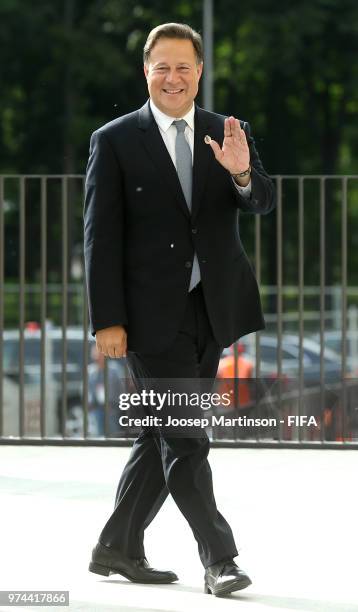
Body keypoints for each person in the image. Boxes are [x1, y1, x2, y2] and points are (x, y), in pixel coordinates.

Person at [83, 22, 275, 597]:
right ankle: (220, 559)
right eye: (161, 66)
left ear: (199, 71)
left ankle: (116, 547)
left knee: (162, 433)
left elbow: (261, 199)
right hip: (146, 319)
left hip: (211, 308)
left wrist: (241, 171)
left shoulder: (226, 131)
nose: (173, 77)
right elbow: (100, 236)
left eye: (184, 66)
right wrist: (107, 320)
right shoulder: (114, 139)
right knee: (186, 437)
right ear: (146, 72)